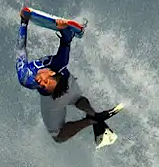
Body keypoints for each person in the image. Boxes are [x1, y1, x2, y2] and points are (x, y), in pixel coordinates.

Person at [16, 8, 121, 146]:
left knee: (75, 106)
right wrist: (63, 29)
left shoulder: (27, 78)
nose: (41, 83)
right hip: (58, 95)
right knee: (60, 133)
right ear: (51, 73)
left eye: (43, 84)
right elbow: (66, 40)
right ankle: (93, 118)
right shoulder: (58, 64)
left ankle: (93, 117)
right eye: (45, 84)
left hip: (66, 87)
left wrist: (24, 22)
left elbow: (20, 50)